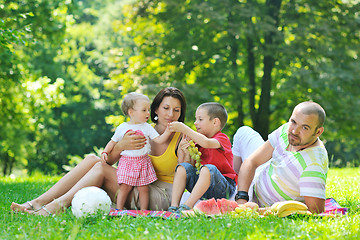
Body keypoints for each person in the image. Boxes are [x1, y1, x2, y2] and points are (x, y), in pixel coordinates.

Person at [10, 87, 187, 216]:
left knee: (100, 169)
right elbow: (108, 161)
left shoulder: (182, 137)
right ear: (155, 110)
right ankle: (37, 202)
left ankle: (55, 208)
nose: (170, 114)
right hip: (133, 184)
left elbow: (187, 173)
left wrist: (187, 156)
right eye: (166, 108)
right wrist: (120, 146)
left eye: (176, 110)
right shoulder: (141, 129)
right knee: (91, 160)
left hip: (160, 195)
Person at [234, 101, 328, 213]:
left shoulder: (313, 164)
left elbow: (315, 211)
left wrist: (257, 210)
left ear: (318, 132)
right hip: (257, 178)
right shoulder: (287, 130)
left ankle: (231, 188)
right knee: (243, 132)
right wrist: (241, 199)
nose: (294, 131)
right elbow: (252, 161)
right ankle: (233, 180)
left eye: (305, 128)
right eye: (293, 122)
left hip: (261, 202)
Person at [101, 92, 172, 210]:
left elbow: (159, 140)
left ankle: (143, 211)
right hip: (127, 162)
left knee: (144, 188)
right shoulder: (122, 127)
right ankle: (119, 209)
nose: (148, 113)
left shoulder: (147, 127)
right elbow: (112, 142)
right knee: (125, 187)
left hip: (143, 162)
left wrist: (168, 131)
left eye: (148, 110)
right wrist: (105, 152)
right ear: (131, 112)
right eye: (144, 110)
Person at [167, 102, 237, 212]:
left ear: (215, 122)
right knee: (182, 167)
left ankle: (186, 207)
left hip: (223, 187)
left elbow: (207, 143)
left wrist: (184, 128)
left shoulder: (222, 138)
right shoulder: (197, 143)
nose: (195, 123)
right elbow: (188, 168)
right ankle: (174, 206)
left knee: (209, 168)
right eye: (196, 119)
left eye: (200, 119)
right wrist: (183, 151)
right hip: (202, 188)